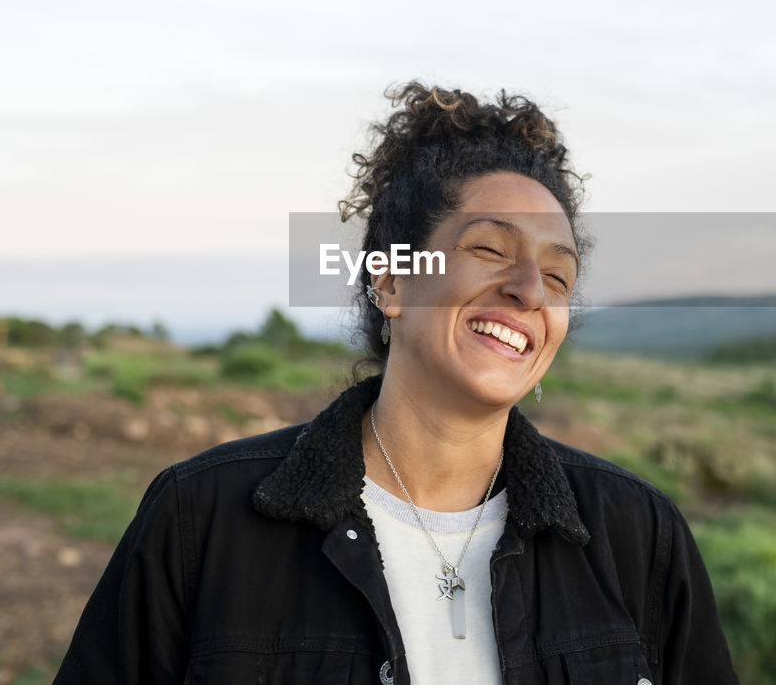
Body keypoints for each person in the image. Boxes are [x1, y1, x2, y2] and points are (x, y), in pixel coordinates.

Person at [54, 83, 739, 684]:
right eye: (489, 250)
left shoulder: (639, 536)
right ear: (390, 281)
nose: (530, 289)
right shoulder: (201, 520)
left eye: (558, 276)